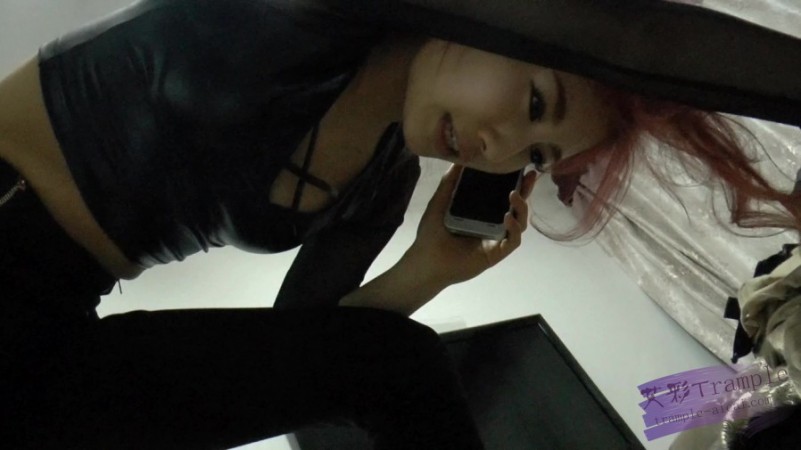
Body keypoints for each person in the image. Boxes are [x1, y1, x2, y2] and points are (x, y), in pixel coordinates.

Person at [0, 0, 798, 449]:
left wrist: (428, 269)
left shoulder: (380, 184)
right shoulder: (314, 17)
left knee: (397, 362)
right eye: (531, 104)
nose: (500, 148)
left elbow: (308, 349)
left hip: (47, 340)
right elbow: (648, 37)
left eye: (535, 152)